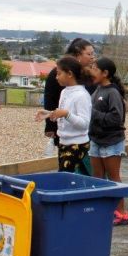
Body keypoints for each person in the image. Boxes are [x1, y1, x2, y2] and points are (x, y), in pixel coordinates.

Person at [43, 37, 96, 174]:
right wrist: (49, 116)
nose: (92, 58)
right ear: (78, 54)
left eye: (59, 74)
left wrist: (66, 114)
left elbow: (83, 121)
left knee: (76, 179)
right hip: (64, 140)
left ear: (70, 74)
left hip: (77, 143)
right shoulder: (65, 90)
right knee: (65, 176)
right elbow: (51, 100)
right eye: (89, 54)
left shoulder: (81, 94)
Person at [88, 57, 128, 226]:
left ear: (105, 73)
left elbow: (116, 118)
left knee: (113, 179)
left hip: (111, 142)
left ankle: (121, 214)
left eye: (95, 69)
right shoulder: (96, 90)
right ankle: (102, 211)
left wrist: (93, 113)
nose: (92, 72)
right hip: (96, 141)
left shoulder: (112, 93)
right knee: (97, 178)